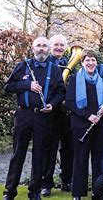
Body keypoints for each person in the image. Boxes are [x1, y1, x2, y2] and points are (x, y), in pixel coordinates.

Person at [3, 36, 66, 200]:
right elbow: (8, 86)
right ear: (33, 48)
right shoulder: (23, 66)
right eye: (38, 46)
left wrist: (53, 104)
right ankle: (9, 191)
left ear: (48, 49)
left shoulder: (55, 69)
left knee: (40, 155)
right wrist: (27, 85)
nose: (41, 49)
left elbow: (61, 92)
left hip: (43, 117)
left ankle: (35, 192)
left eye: (45, 46)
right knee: (18, 154)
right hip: (24, 114)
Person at [64, 48, 103, 199]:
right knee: (80, 159)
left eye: (93, 60)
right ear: (82, 63)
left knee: (98, 159)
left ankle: (98, 192)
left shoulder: (101, 79)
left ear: (97, 62)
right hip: (81, 125)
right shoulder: (75, 79)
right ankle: (78, 193)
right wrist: (88, 116)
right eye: (87, 60)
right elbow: (69, 103)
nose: (90, 63)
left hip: (100, 125)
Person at [41, 34, 73, 196]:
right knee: (50, 148)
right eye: (56, 45)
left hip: (67, 112)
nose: (59, 47)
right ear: (50, 46)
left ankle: (67, 180)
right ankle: (46, 183)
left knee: (68, 148)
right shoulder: (45, 64)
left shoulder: (71, 64)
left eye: (62, 45)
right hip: (51, 111)